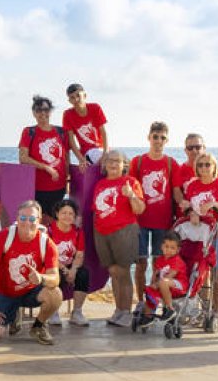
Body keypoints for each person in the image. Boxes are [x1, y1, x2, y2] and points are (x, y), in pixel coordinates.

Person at [0, 200, 62, 345]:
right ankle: (12, 316)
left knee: (55, 294)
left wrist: (41, 278)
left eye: (32, 219)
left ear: (39, 220)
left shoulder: (47, 243)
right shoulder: (5, 236)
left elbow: (55, 278)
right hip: (5, 293)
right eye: (23, 218)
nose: (27, 223)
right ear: (17, 219)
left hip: (31, 292)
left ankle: (38, 326)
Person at [178, 152, 218, 333]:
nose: (204, 168)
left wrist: (214, 205)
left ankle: (217, 312)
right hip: (200, 235)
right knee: (201, 272)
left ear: (214, 166)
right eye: (200, 165)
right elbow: (188, 211)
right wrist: (191, 213)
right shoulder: (192, 185)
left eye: (207, 165)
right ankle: (204, 311)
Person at [129, 122, 181, 305]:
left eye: (162, 138)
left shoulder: (171, 163)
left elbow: (176, 192)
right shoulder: (138, 161)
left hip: (163, 221)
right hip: (140, 221)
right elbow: (131, 191)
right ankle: (141, 301)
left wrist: (186, 205)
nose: (158, 141)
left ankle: (153, 300)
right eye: (155, 137)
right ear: (149, 137)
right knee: (141, 263)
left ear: (166, 140)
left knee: (159, 264)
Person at [91, 150, 144, 328]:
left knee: (123, 271)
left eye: (117, 161)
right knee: (113, 272)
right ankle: (118, 310)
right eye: (110, 161)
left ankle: (126, 312)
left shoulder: (130, 182)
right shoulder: (100, 184)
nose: (113, 164)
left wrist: (131, 195)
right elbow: (96, 209)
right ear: (104, 165)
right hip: (102, 232)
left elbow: (139, 209)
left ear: (124, 165)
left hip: (124, 231)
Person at [18, 95, 70, 216]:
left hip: (59, 186)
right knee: (38, 221)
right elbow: (23, 158)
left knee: (55, 221)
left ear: (50, 111)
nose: (42, 113)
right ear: (33, 113)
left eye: (46, 110)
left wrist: (68, 180)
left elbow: (66, 158)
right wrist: (46, 168)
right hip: (37, 187)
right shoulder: (29, 132)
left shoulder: (61, 132)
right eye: (38, 110)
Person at [48, 199, 89, 326]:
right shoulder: (49, 231)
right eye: (64, 213)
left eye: (71, 214)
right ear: (57, 214)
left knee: (83, 274)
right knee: (57, 275)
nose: (67, 216)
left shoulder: (78, 232)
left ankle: (77, 313)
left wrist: (74, 270)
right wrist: (65, 271)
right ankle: (53, 312)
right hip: (52, 264)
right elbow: (48, 256)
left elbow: (80, 254)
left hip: (71, 265)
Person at [140, 231, 188, 324]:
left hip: (178, 285)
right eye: (166, 247)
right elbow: (156, 274)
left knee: (163, 282)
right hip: (163, 284)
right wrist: (152, 284)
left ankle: (170, 309)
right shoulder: (159, 260)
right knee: (149, 290)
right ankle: (148, 315)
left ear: (178, 250)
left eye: (172, 248)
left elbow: (171, 275)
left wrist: (157, 284)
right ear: (161, 247)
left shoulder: (177, 260)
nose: (168, 250)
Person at [63, 83, 108, 167]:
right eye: (72, 97)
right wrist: (81, 159)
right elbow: (71, 141)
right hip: (87, 152)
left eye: (78, 96)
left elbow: (103, 133)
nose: (76, 99)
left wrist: (105, 153)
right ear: (69, 101)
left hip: (101, 150)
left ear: (85, 96)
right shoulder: (68, 114)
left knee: (118, 159)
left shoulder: (95, 108)